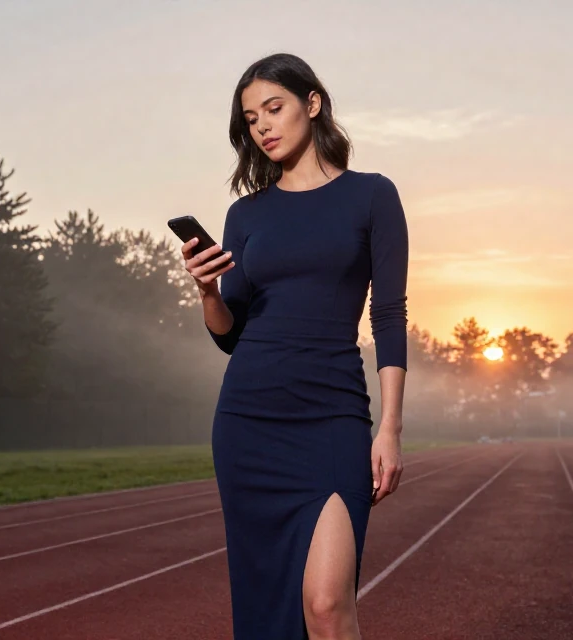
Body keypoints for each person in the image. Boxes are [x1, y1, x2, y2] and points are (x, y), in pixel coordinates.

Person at [179, 52, 409, 640]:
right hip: (248, 420)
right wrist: (207, 290)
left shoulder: (373, 196)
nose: (262, 126)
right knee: (264, 611)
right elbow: (230, 335)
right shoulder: (245, 215)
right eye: (251, 118)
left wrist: (389, 427)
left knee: (329, 606)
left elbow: (387, 315)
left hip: (331, 415)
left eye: (273, 108)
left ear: (312, 103)